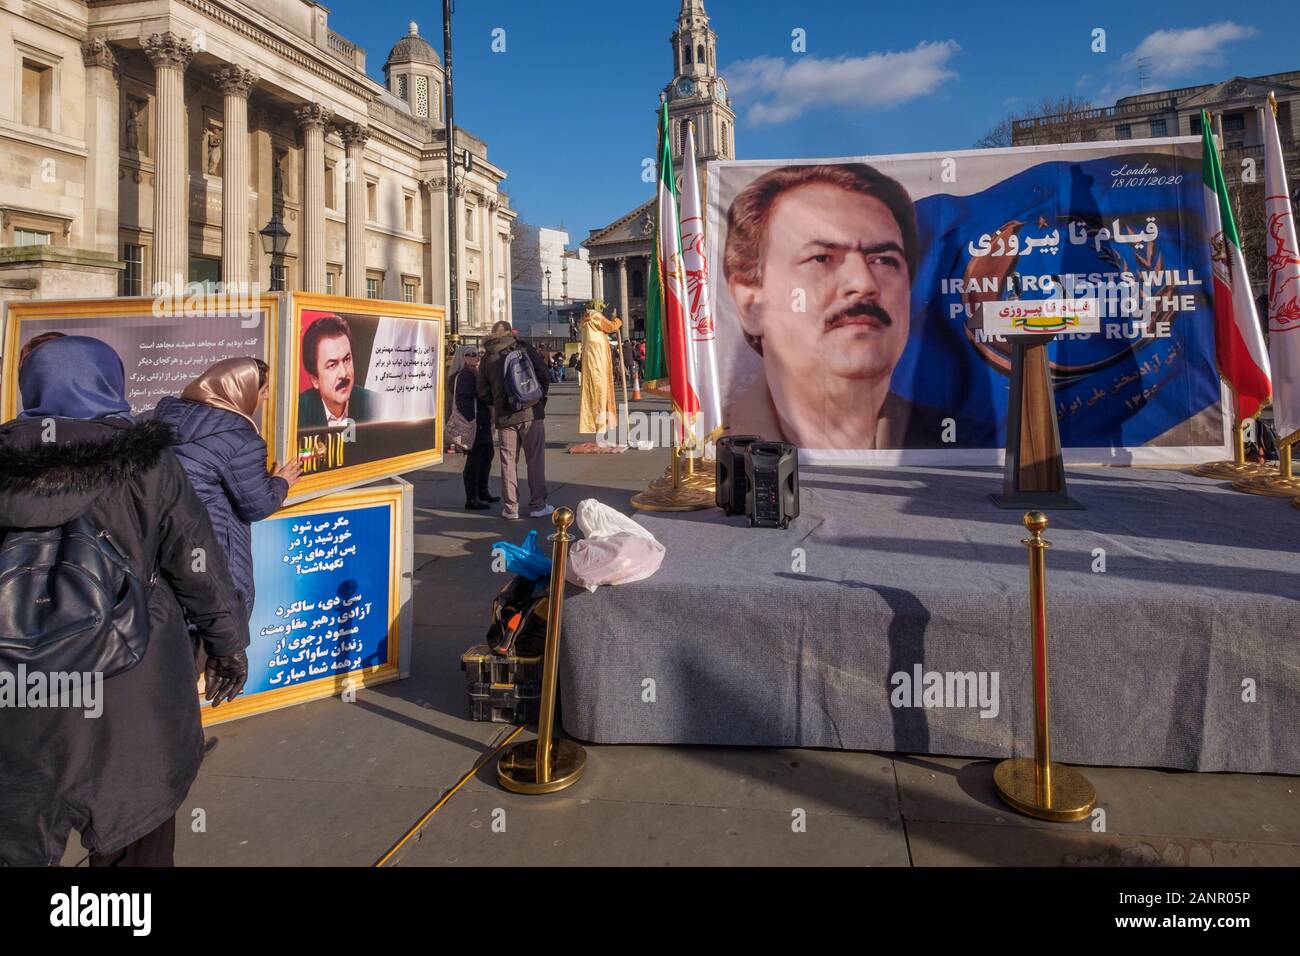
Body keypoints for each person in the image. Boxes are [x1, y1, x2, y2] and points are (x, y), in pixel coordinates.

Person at [0, 336, 249, 866]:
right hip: (132, 682)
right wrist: (227, 645)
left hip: (16, 690)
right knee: (136, 836)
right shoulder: (148, 463)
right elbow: (196, 561)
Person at [722, 163, 952, 449]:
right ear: (750, 303)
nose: (863, 283)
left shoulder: (961, 443)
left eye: (884, 260)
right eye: (821, 258)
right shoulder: (716, 443)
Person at [154, 358, 302, 618]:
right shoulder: (241, 441)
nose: (266, 397)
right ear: (239, 390)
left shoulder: (164, 418)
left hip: (162, 552)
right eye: (263, 389)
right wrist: (281, 482)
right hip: (215, 558)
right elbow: (258, 505)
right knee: (220, 636)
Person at [477, 321, 552, 520]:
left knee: (508, 463)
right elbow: (544, 374)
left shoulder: (487, 357)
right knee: (535, 460)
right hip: (530, 413)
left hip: (505, 417)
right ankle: (538, 505)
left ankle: (511, 507)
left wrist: (497, 403)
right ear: (511, 332)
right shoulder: (524, 348)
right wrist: (538, 400)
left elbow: (482, 390)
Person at [297, 313, 381, 428]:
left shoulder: (376, 406)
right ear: (314, 380)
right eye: (332, 365)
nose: (344, 373)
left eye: (347, 359)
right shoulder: (297, 413)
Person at [449, 344, 498, 510]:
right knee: (475, 460)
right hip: (475, 424)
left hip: (481, 422)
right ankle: (472, 497)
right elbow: (463, 401)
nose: (476, 357)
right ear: (462, 357)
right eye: (471, 354)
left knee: (487, 455)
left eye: (478, 354)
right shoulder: (465, 375)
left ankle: (482, 492)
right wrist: (471, 421)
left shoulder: (474, 373)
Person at [578, 305, 622, 435]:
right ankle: (601, 425)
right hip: (597, 357)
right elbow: (610, 326)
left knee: (594, 389)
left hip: (591, 357)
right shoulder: (594, 316)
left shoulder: (585, 320)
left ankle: (595, 424)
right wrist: (618, 321)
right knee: (600, 388)